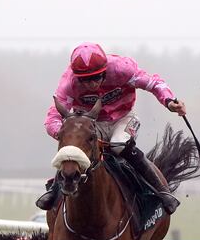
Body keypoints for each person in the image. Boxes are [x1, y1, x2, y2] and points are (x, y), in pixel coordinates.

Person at [35, 42, 186, 214]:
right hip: (90, 123)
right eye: (85, 80)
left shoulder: (121, 69)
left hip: (123, 117)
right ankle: (55, 190)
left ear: (105, 70)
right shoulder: (68, 83)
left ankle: (162, 191)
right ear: (76, 76)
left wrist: (169, 100)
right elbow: (52, 118)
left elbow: (153, 83)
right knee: (75, 144)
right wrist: (65, 134)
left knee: (119, 145)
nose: (92, 84)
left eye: (96, 77)